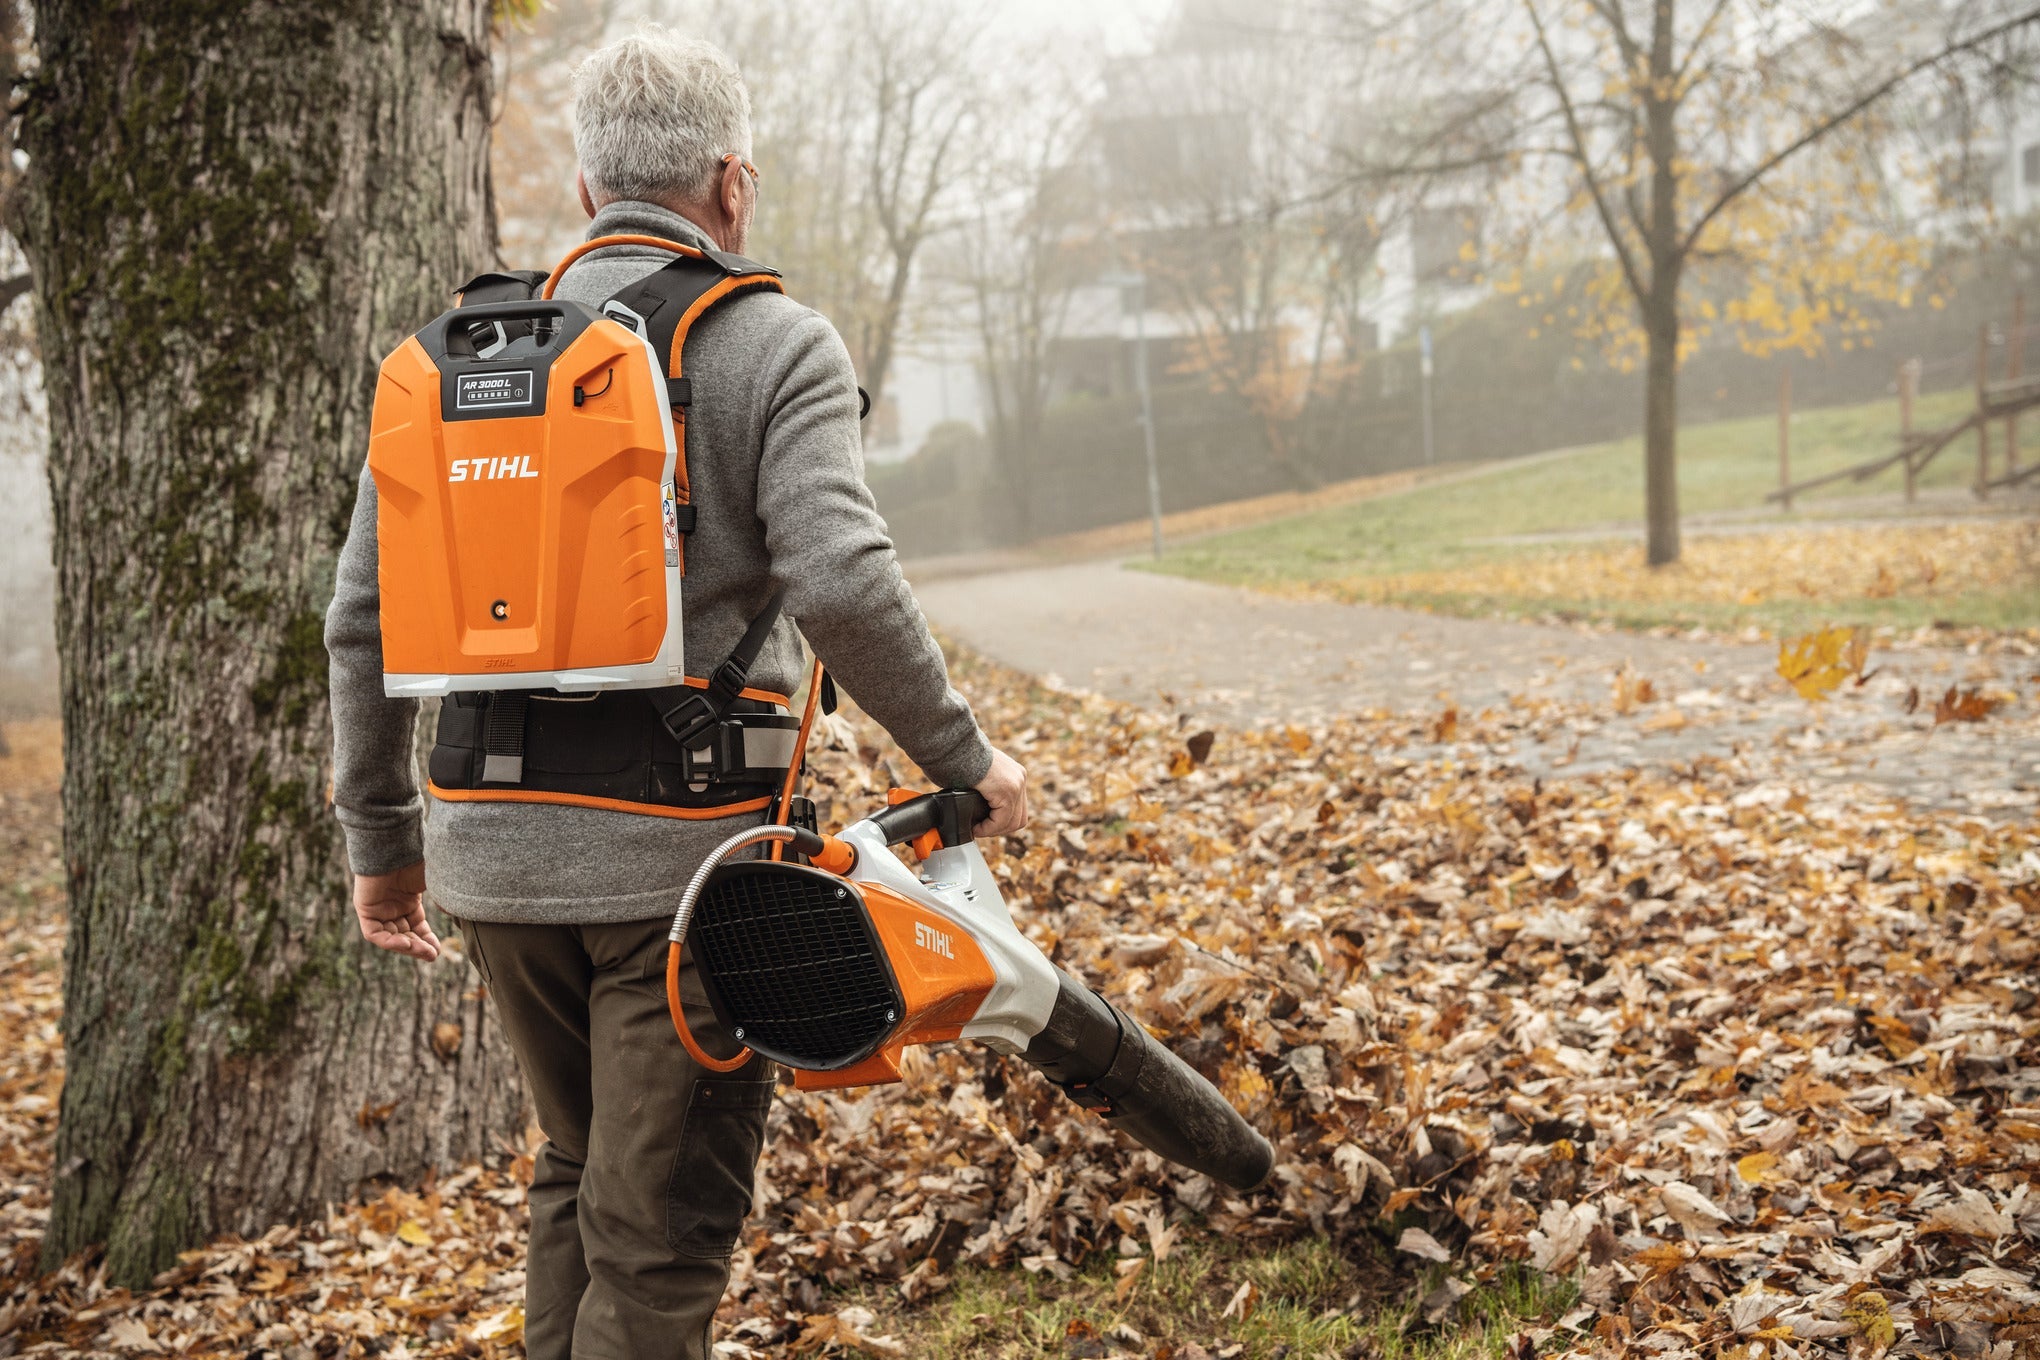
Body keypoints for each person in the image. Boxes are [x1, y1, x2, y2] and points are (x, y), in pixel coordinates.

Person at [323, 27, 1027, 1360]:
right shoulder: (774, 345)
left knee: (579, 1171)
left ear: (589, 190)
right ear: (732, 185)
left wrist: (383, 845)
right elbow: (842, 578)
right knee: (659, 1236)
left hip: (491, 865)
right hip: (685, 877)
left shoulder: (454, 364)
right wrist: (963, 757)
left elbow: (360, 620)